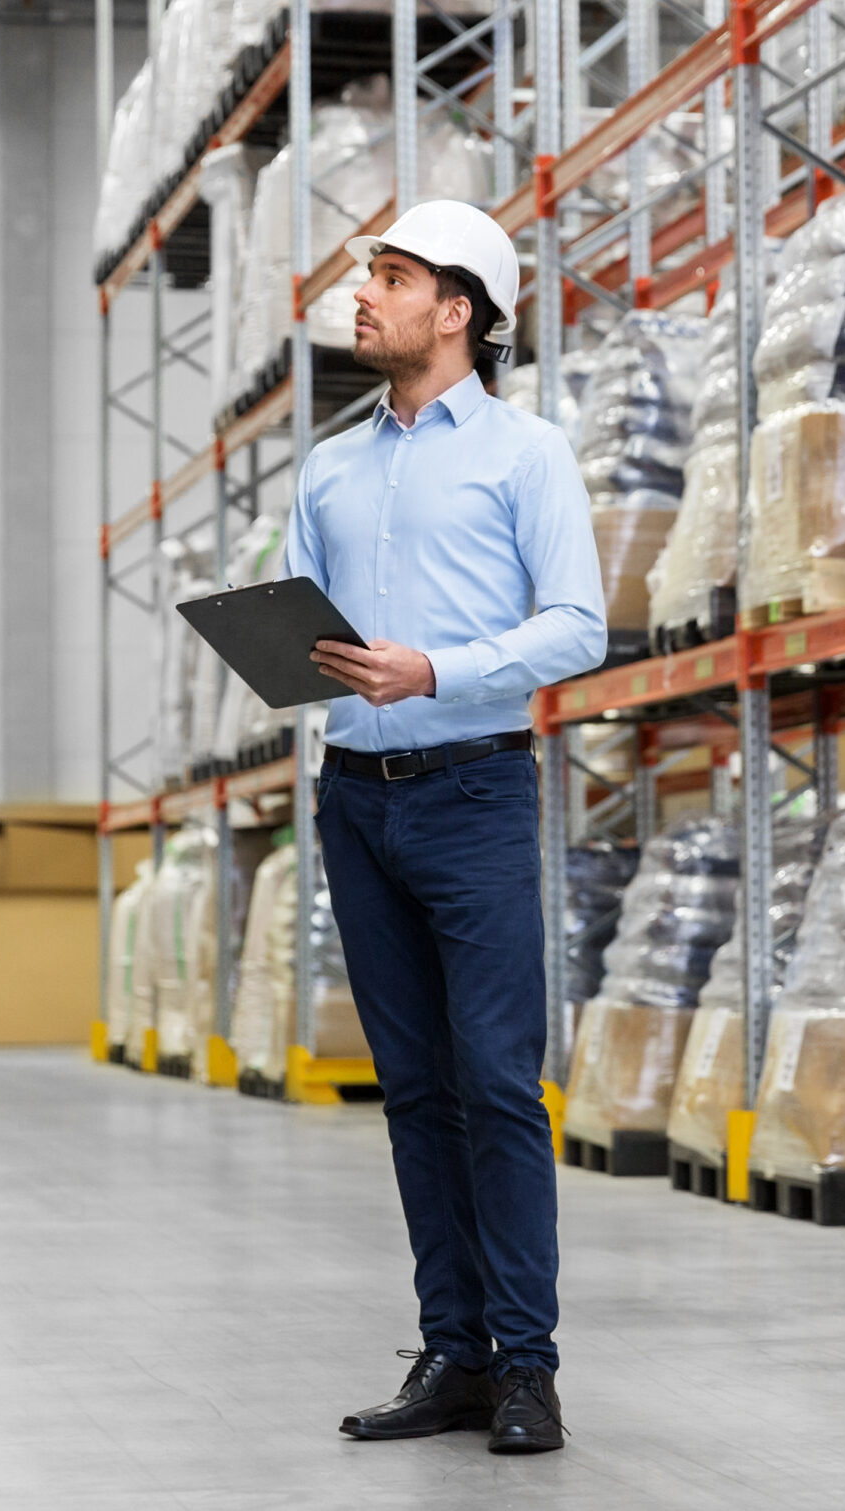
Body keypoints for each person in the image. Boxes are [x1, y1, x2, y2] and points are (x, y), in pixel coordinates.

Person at [283, 200, 605, 1455]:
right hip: (354, 800)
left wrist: (439, 671)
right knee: (413, 1090)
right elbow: (315, 639)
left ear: (457, 310)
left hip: (472, 788)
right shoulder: (328, 465)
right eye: (370, 274)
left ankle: (527, 1365)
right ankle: (454, 1353)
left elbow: (576, 628)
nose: (365, 294)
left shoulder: (527, 456)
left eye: (394, 276)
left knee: (497, 1089)